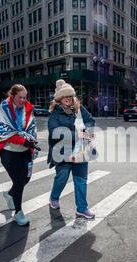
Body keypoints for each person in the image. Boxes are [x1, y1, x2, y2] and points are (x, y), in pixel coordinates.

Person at [0, 84, 40, 226]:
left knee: (26, 178)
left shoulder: (28, 108)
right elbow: (3, 131)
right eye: (20, 97)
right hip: (8, 151)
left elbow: (32, 127)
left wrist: (30, 141)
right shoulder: (3, 109)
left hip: (25, 150)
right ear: (12, 96)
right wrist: (23, 141)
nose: (23, 100)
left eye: (25, 97)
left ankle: (9, 194)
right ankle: (18, 213)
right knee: (19, 181)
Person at [48, 79, 96, 220]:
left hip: (80, 149)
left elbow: (90, 120)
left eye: (70, 96)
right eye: (65, 96)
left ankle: (82, 208)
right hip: (63, 152)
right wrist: (77, 134)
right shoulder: (55, 114)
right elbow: (55, 133)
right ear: (59, 99)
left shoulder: (79, 109)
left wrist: (87, 130)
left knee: (80, 180)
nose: (68, 99)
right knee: (62, 178)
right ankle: (54, 197)